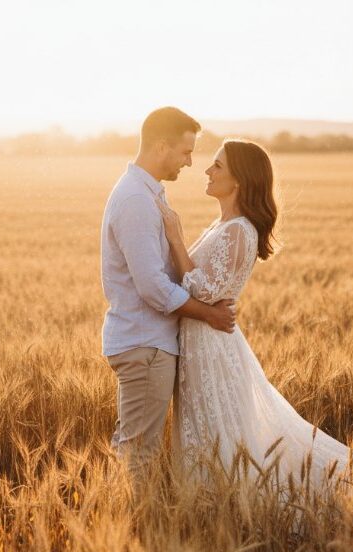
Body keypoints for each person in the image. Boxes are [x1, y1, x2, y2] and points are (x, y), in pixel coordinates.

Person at [157, 139, 353, 498]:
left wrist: (175, 239)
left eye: (217, 165)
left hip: (212, 345)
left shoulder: (238, 230)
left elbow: (203, 290)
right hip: (202, 341)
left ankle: (236, 503)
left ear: (239, 179)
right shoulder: (224, 225)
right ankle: (211, 504)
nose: (207, 170)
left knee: (223, 432)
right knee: (211, 428)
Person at [100, 107, 237, 480]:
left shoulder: (147, 193)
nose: (191, 162)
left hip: (148, 342)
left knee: (137, 450)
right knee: (137, 454)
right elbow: (152, 287)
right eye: (185, 152)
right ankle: (127, 530)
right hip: (146, 343)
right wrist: (209, 313)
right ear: (162, 146)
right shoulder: (136, 201)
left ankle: (122, 526)